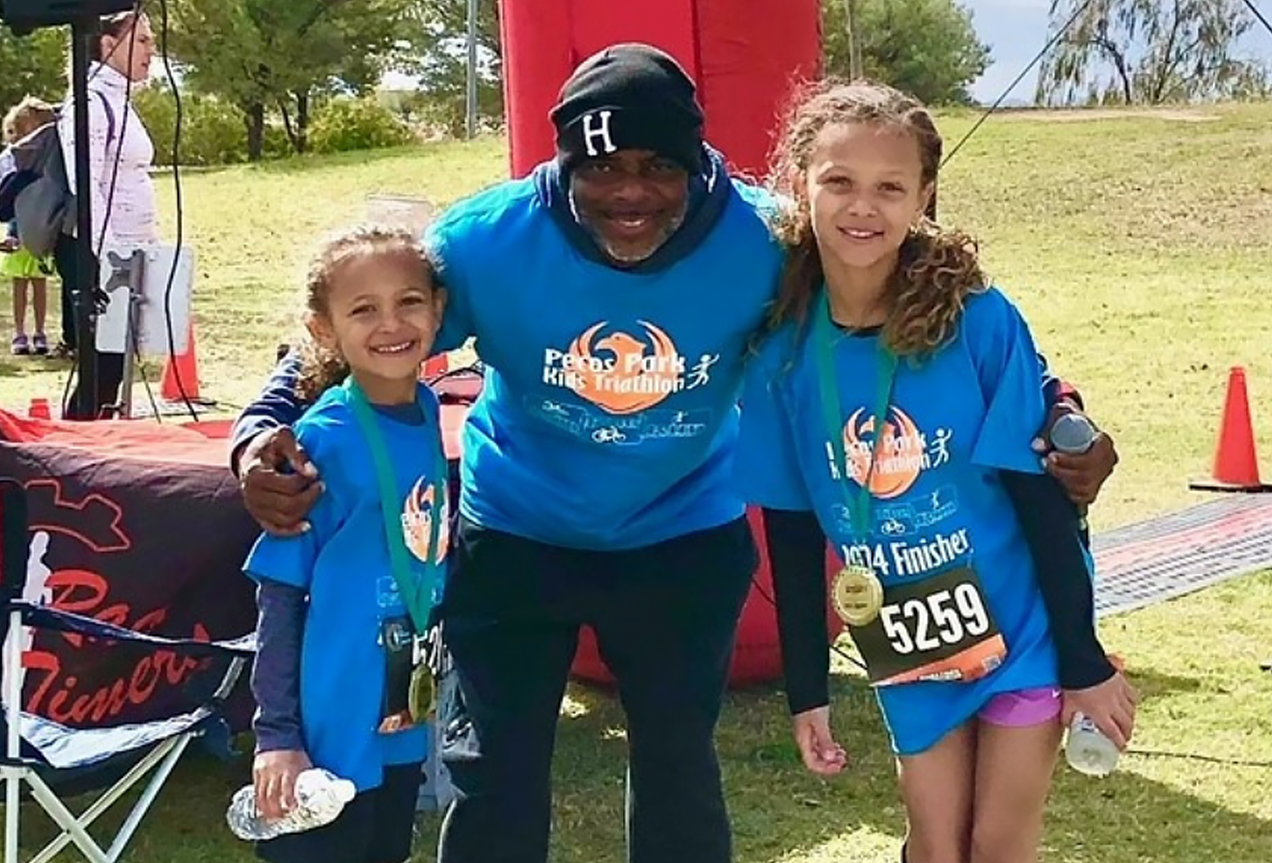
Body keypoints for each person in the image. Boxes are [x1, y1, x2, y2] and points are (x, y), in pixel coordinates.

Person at [228, 43, 1120, 863]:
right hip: (516, 535)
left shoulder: (769, 239)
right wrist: (253, 439)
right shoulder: (485, 242)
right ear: (562, 165)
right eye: (601, 168)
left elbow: (918, 287)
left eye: (658, 167)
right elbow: (356, 330)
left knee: (677, 771)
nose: (630, 191)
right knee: (493, 773)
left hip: (682, 538)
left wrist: (1064, 417)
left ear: (700, 164)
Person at [742, 81, 1137, 863]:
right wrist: (807, 689)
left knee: (996, 842)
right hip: (903, 631)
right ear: (800, 184)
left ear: (924, 195)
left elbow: (1038, 498)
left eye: (891, 187)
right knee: (933, 840)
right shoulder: (782, 350)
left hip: (1020, 622)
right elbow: (789, 528)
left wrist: (1085, 663)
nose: (864, 207)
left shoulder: (980, 321)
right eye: (839, 182)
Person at [242, 224, 451, 863]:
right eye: (363, 309)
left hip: (398, 716)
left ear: (438, 311)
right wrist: (277, 734)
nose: (391, 323)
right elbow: (279, 595)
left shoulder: (425, 409)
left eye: (409, 302)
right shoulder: (321, 440)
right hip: (325, 731)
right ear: (323, 329)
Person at [56, 10, 159, 413]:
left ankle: (92, 446)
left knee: (113, 369)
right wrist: (111, 255)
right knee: (101, 369)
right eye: (143, 40)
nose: (152, 51)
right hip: (96, 254)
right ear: (107, 45)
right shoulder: (91, 101)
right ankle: (72, 455)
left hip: (126, 252)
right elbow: (87, 188)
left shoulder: (118, 98)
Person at [1, 98, 58, 355]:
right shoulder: (11, 163)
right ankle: (20, 333)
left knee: (39, 283)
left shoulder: (45, 163)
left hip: (39, 232)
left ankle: (40, 332)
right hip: (17, 234)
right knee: (19, 285)